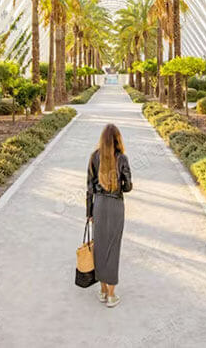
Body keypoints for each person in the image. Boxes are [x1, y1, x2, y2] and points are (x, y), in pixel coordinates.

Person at [86, 123, 132, 308]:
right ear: (117, 139)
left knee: (100, 247)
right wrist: (121, 181)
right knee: (113, 248)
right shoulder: (122, 159)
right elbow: (128, 187)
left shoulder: (94, 157)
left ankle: (104, 291)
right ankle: (112, 296)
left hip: (99, 205)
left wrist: (89, 212)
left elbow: (90, 188)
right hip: (115, 206)